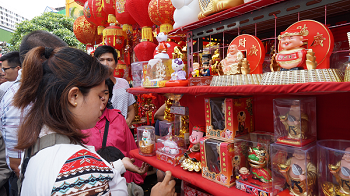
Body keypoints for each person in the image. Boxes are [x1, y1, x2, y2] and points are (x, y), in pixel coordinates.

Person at [12, 46, 176, 196]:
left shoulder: (36, 145)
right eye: (99, 96)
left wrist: (118, 165)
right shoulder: (81, 169)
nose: (103, 102)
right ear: (74, 96)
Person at [0, 31, 69, 196]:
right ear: (40, 59)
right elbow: (17, 164)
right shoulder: (20, 99)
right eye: (59, 60)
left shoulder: (42, 90)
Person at [81, 78, 146, 185]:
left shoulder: (118, 118)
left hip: (123, 180)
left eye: (106, 93)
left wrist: (137, 180)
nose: (102, 98)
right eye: (97, 94)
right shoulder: (81, 123)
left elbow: (131, 149)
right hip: (93, 183)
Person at [94, 45, 136, 127]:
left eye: (109, 60)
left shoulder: (124, 83)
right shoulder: (91, 86)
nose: (105, 64)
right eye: (101, 60)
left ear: (116, 63)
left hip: (122, 130)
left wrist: (127, 121)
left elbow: (131, 110)